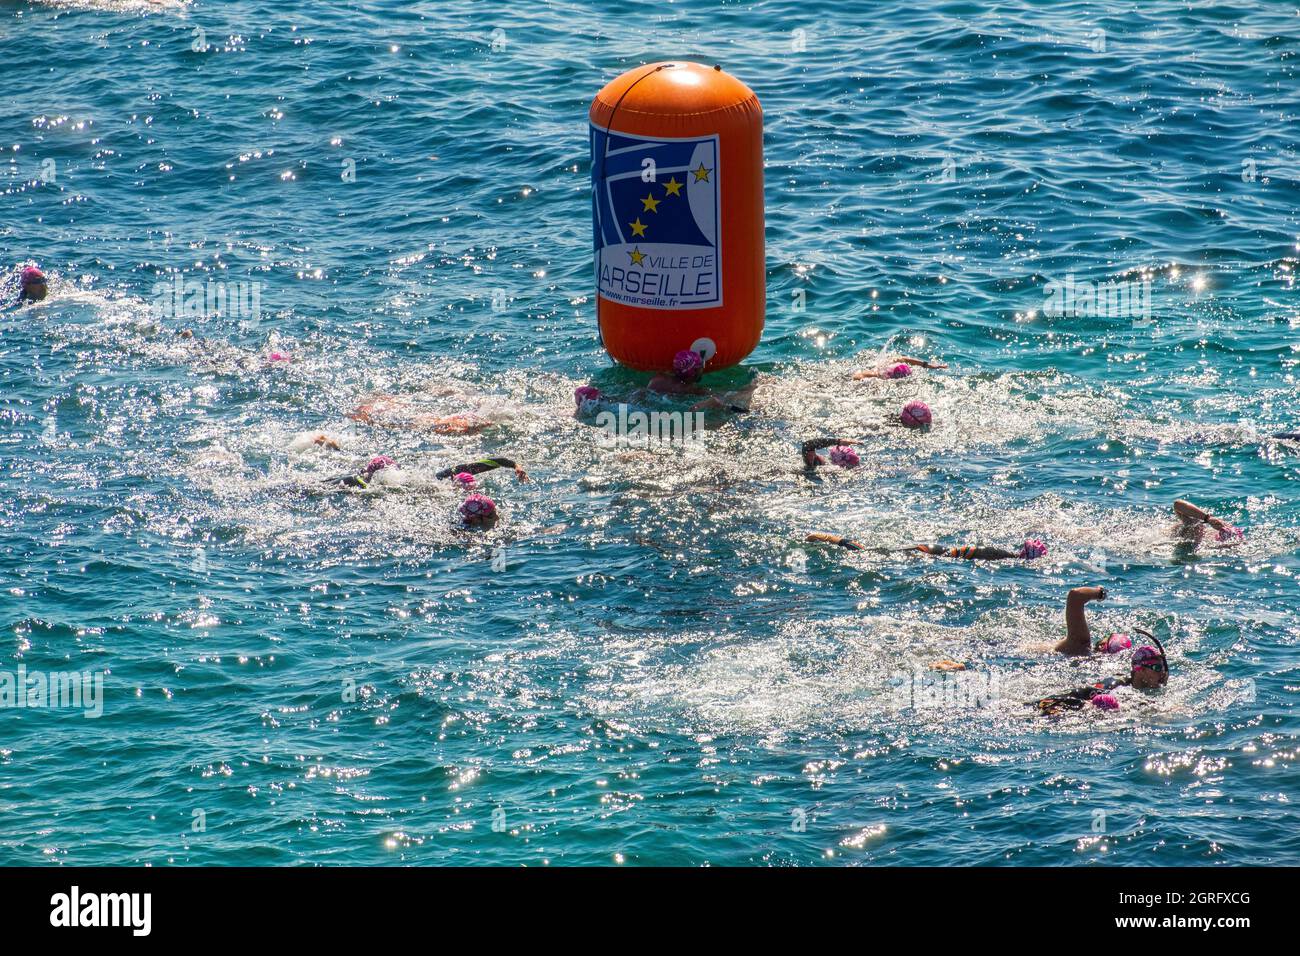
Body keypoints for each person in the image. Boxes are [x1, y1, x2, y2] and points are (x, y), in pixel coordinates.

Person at [1034, 633, 1169, 715]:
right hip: (1055, 702)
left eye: (1163, 667)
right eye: (1157, 668)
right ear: (1141, 670)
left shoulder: (1149, 686)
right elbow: (1085, 699)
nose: (1162, 673)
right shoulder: (1114, 685)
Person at [1172, 498, 1243, 548]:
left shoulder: (1207, 538)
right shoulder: (1193, 525)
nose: (1200, 527)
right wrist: (1208, 518)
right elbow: (1177, 504)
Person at [852, 355, 946, 380]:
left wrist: (927, 365)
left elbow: (905, 359)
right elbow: (906, 359)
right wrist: (929, 366)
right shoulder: (877, 372)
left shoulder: (890, 363)